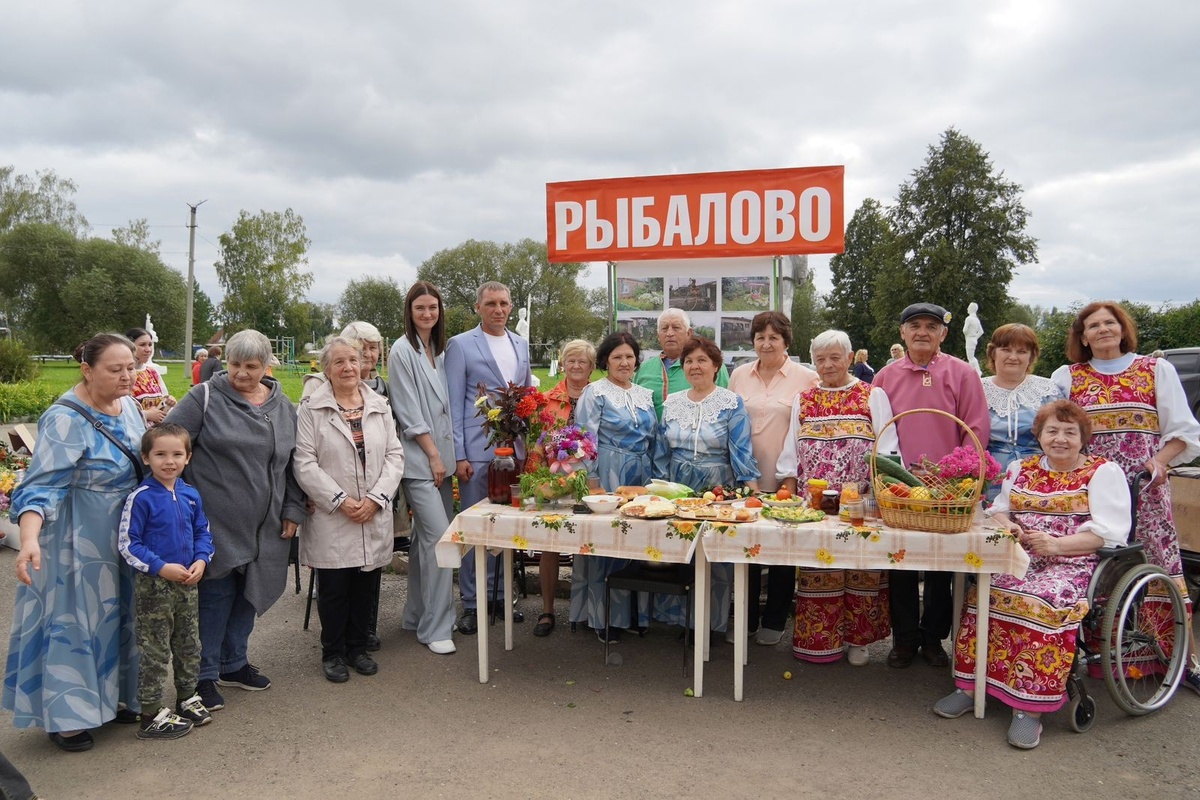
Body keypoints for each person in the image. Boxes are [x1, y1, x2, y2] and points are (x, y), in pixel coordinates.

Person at [934, 400, 1131, 749]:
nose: (1060, 439)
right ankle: (969, 686)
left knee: (1040, 599)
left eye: (1070, 432)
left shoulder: (1103, 472)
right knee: (984, 591)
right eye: (1052, 431)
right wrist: (1008, 525)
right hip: (1022, 557)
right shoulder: (1019, 468)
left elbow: (1110, 533)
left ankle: (1028, 709)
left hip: (1071, 562)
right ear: (1039, 435)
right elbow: (997, 511)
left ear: (1083, 438)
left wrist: (1056, 545)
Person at [3, 333, 145, 753]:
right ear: (87, 369)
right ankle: (68, 718)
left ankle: (118, 697)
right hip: (78, 538)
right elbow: (39, 488)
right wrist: (29, 539)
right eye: (115, 370)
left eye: (131, 368)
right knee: (78, 622)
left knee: (121, 615)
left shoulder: (132, 406)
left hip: (125, 534)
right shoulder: (64, 417)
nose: (127, 377)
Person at [1051, 301, 1200, 692]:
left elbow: (1183, 431)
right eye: (1093, 325)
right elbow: (1055, 433)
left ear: (1122, 329)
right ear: (1082, 336)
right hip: (1089, 490)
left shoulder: (1155, 370)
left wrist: (1160, 462)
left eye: (1109, 323)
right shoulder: (1068, 377)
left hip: (1144, 488)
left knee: (1159, 564)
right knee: (1096, 569)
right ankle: (1102, 660)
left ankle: (1180, 659)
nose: (1102, 330)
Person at [164, 329, 307, 712]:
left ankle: (234, 662)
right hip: (215, 522)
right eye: (234, 364)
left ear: (266, 366)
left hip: (268, 524)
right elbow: (169, 443)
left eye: (251, 366)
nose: (241, 373)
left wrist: (294, 510)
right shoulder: (204, 397)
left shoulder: (282, 405)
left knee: (249, 592)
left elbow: (295, 465)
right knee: (215, 595)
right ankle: (203, 674)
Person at [869, 302, 989, 669]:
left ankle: (933, 637)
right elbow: (878, 431)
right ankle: (903, 639)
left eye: (930, 326)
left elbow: (976, 427)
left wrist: (962, 480)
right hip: (900, 486)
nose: (922, 332)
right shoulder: (885, 377)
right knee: (899, 562)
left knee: (942, 566)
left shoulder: (963, 373)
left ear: (943, 334)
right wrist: (891, 476)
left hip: (948, 487)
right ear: (902, 333)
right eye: (914, 325)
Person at [775, 330, 891, 665]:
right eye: (821, 359)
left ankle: (857, 640)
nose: (827, 365)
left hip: (860, 503)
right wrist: (787, 489)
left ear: (850, 358)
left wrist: (881, 497)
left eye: (834, 358)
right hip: (814, 505)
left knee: (860, 567)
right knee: (818, 565)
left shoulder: (872, 396)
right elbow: (791, 449)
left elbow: (887, 447)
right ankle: (819, 640)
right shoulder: (805, 399)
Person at [294, 337, 404, 683]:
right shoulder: (312, 408)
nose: (348, 368)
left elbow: (394, 455)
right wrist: (340, 500)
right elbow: (304, 462)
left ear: (364, 366)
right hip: (333, 513)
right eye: (339, 362)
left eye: (353, 361)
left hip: (373, 508)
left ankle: (358, 646)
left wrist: (376, 498)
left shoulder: (379, 405)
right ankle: (334, 652)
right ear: (326, 368)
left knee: (366, 581)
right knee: (335, 586)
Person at [652, 336, 759, 635]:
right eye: (688, 361)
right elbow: (661, 450)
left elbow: (741, 449)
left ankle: (710, 626)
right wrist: (658, 491)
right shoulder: (672, 403)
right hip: (677, 486)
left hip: (717, 488)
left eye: (701, 360)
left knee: (715, 558)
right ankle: (676, 621)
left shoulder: (730, 402)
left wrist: (752, 491)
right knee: (678, 552)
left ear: (715, 366)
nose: (694, 366)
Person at [445, 281, 533, 634]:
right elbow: (453, 403)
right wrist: (459, 455)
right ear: (478, 308)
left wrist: (525, 448)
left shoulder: (521, 344)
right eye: (491, 303)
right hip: (477, 454)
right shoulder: (461, 345)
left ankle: (500, 597)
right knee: (474, 528)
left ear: (511, 307)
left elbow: (525, 398)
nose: (499, 309)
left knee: (506, 529)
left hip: (513, 452)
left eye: (504, 303)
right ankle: (472, 602)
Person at [118, 423, 215, 740]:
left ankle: (187, 697)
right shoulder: (141, 497)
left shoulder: (190, 494)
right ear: (146, 458)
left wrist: (201, 560)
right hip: (155, 587)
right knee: (155, 651)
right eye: (160, 454)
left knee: (189, 644)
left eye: (177, 454)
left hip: (188, 583)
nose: (169, 461)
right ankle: (149, 713)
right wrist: (161, 568)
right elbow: (129, 544)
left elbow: (203, 532)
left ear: (188, 457)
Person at [728, 311, 818, 645]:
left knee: (781, 551)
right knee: (745, 550)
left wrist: (791, 477)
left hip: (785, 480)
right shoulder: (738, 375)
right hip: (744, 477)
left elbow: (807, 431)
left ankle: (776, 618)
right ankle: (747, 618)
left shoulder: (805, 378)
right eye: (760, 337)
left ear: (786, 341)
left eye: (773, 338)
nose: (766, 344)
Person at [571, 333, 658, 643]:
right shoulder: (594, 393)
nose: (624, 362)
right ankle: (602, 617)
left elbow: (654, 439)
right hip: (607, 472)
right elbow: (584, 441)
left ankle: (636, 613)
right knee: (606, 544)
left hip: (640, 474)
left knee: (638, 545)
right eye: (618, 356)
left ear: (637, 361)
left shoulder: (645, 395)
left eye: (630, 357)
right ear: (606, 360)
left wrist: (654, 482)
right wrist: (592, 482)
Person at [389, 282, 457, 655]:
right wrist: (433, 455)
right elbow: (408, 411)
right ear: (410, 312)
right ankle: (436, 627)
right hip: (420, 461)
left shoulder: (441, 349)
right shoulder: (402, 351)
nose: (428, 314)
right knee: (440, 539)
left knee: (423, 542)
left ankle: (415, 614)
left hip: (444, 459)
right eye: (420, 308)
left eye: (433, 307)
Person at [528, 339, 595, 637]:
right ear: (563, 364)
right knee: (550, 545)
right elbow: (536, 441)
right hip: (554, 481)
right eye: (571, 360)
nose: (577, 366)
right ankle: (547, 610)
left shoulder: (601, 395)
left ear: (592, 366)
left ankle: (588, 611)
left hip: (591, 482)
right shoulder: (547, 399)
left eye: (583, 361)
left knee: (592, 544)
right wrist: (535, 479)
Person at [981, 324, 1062, 503]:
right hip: (989, 475)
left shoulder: (1048, 390)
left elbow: (1062, 432)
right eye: (1006, 349)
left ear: (1031, 356)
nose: (1013, 357)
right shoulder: (977, 389)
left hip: (1039, 472)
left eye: (1022, 351)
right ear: (993, 353)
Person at [634, 308, 730, 419]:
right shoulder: (644, 369)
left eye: (676, 328)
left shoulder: (711, 367)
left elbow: (726, 406)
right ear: (658, 336)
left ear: (689, 333)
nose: (669, 333)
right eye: (664, 328)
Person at [127, 326, 176, 426]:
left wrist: (168, 403)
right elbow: (119, 409)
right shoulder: (124, 374)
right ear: (130, 346)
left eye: (150, 345)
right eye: (142, 345)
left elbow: (162, 401)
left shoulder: (152, 372)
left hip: (156, 432)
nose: (148, 349)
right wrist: (146, 414)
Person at [963, 302, 984, 373]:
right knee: (971, 357)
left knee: (970, 358)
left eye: (968, 307)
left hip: (969, 339)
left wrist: (969, 336)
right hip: (974, 339)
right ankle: (976, 371)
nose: (967, 309)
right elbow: (981, 331)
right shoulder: (976, 320)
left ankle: (975, 372)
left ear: (971, 309)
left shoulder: (969, 319)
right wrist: (975, 338)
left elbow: (964, 330)